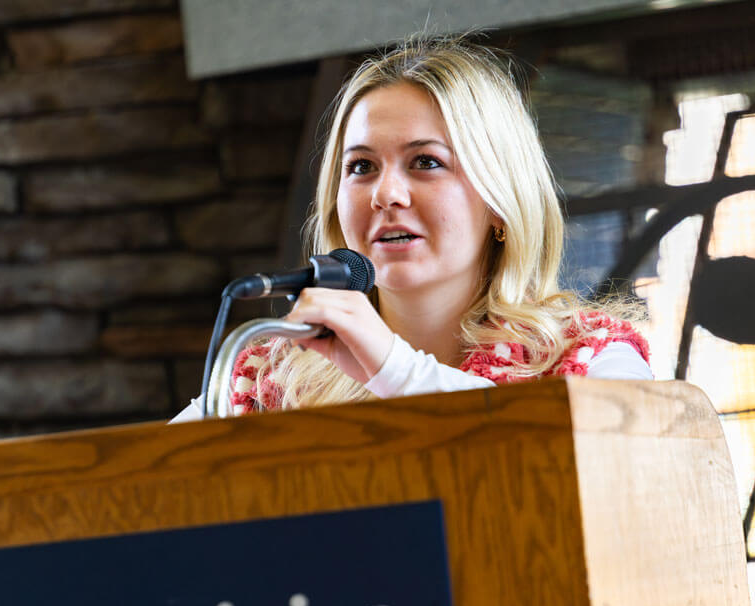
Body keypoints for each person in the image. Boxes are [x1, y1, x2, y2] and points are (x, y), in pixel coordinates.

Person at [172, 35, 649, 423]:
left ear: (501, 202)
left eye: (426, 162)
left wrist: (393, 368)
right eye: (361, 167)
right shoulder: (265, 382)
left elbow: (587, 468)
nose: (386, 194)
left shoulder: (593, 360)